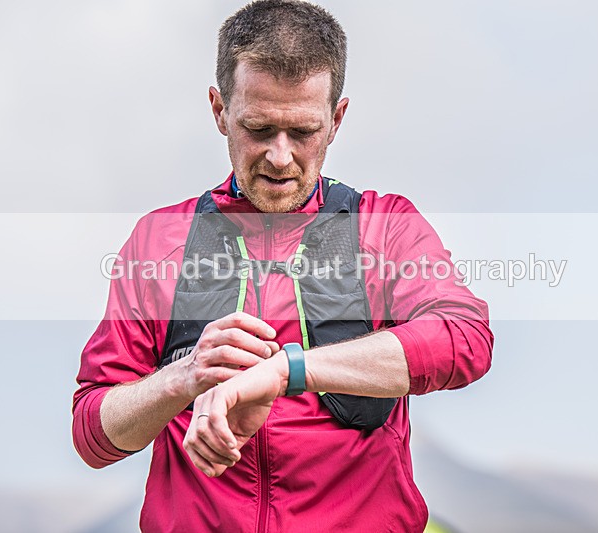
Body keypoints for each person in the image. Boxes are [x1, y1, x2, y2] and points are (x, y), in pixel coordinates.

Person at [72, 1, 493, 531]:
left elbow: (464, 338)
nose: (279, 156)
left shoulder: (385, 227)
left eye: (302, 132)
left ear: (336, 120)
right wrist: (184, 377)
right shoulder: (159, 241)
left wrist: (286, 371)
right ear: (219, 110)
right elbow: (93, 435)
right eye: (258, 127)